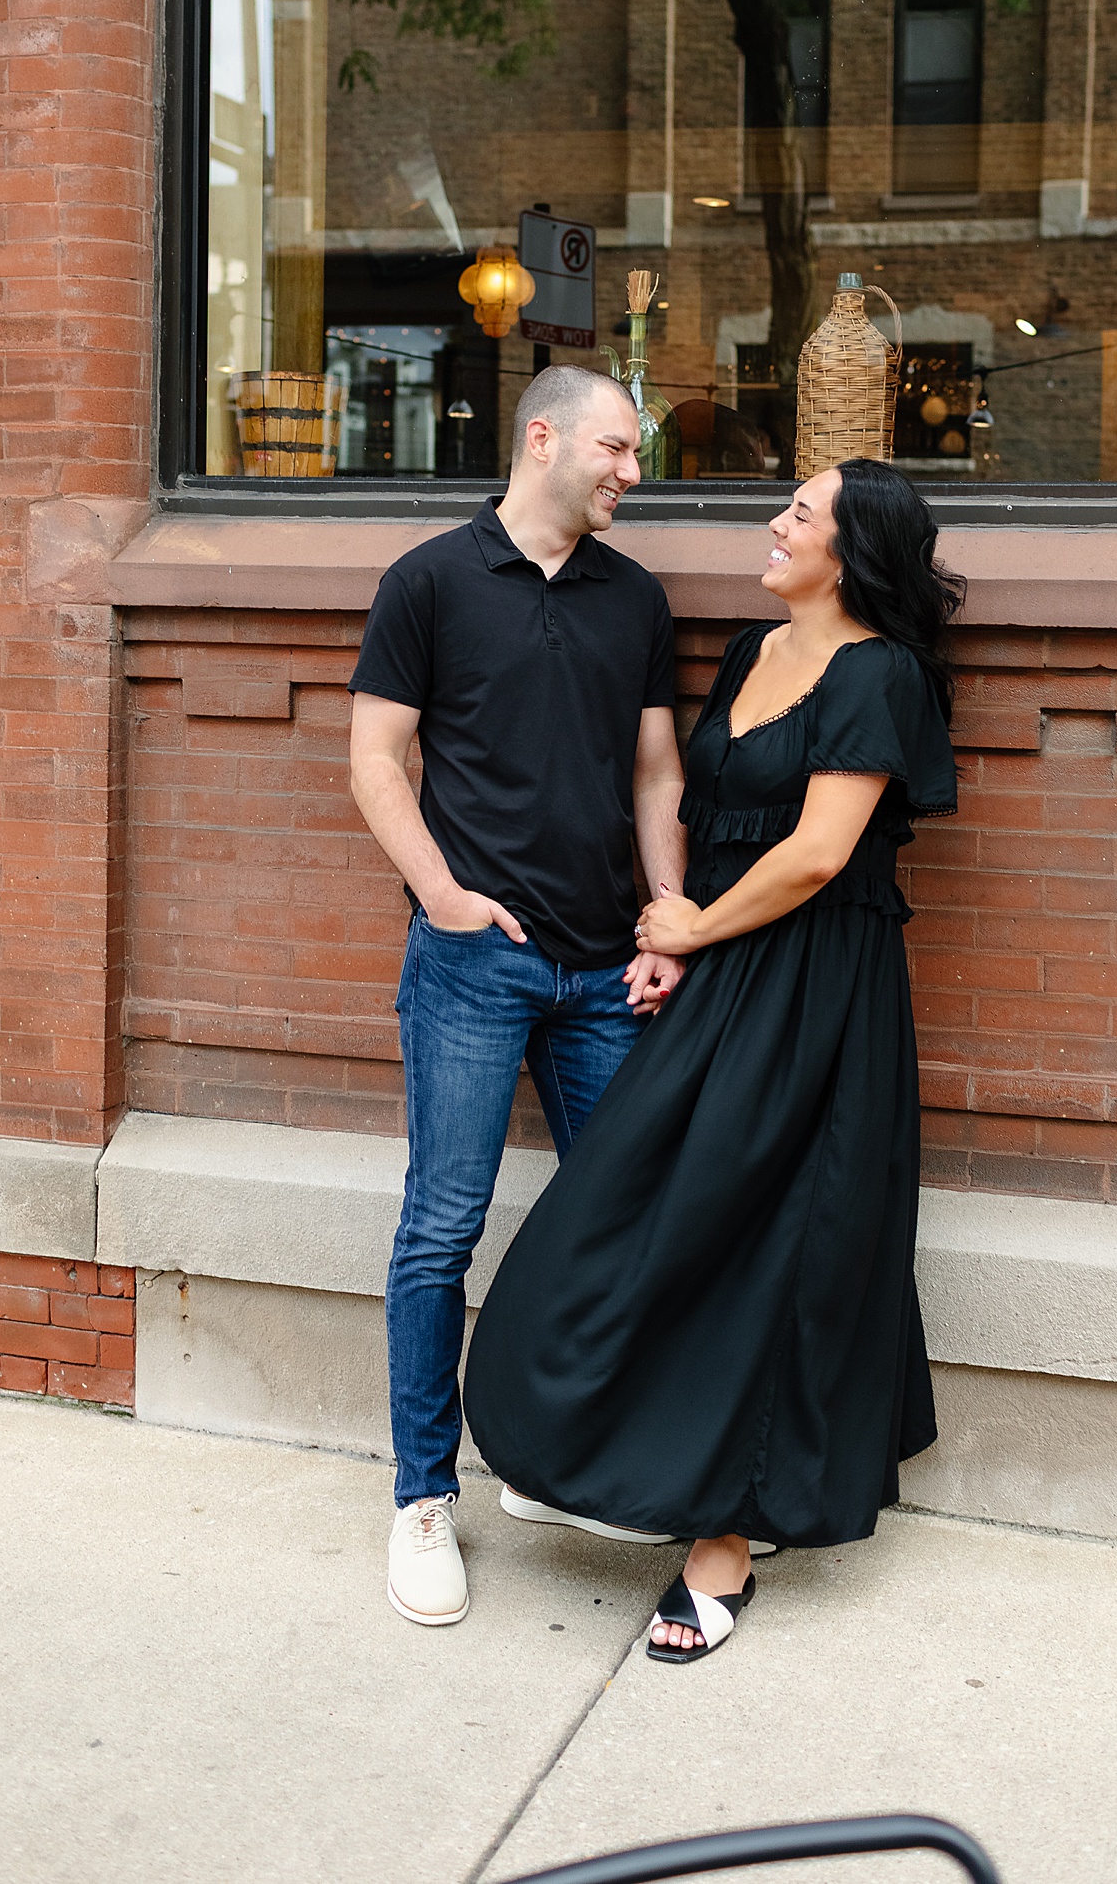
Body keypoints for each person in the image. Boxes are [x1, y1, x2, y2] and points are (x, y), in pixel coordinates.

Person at [463, 457, 961, 1663]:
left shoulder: (876, 672)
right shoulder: (751, 652)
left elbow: (818, 854)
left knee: (770, 1240)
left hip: (819, 987)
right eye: (785, 501)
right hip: (727, 969)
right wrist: (678, 938)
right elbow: (713, 820)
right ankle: (597, 1449)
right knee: (629, 1207)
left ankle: (723, 1540)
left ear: (850, 551)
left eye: (802, 512)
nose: (777, 521)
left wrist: (691, 925)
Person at [349, 364, 688, 1628]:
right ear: (541, 437)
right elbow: (376, 757)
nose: (630, 474)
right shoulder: (429, 581)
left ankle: (554, 1462)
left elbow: (655, 770)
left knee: (620, 1219)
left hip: (608, 968)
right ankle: (424, 1494)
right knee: (443, 1226)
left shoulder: (633, 595)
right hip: (475, 960)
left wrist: (665, 915)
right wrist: (439, 893)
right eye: (615, 447)